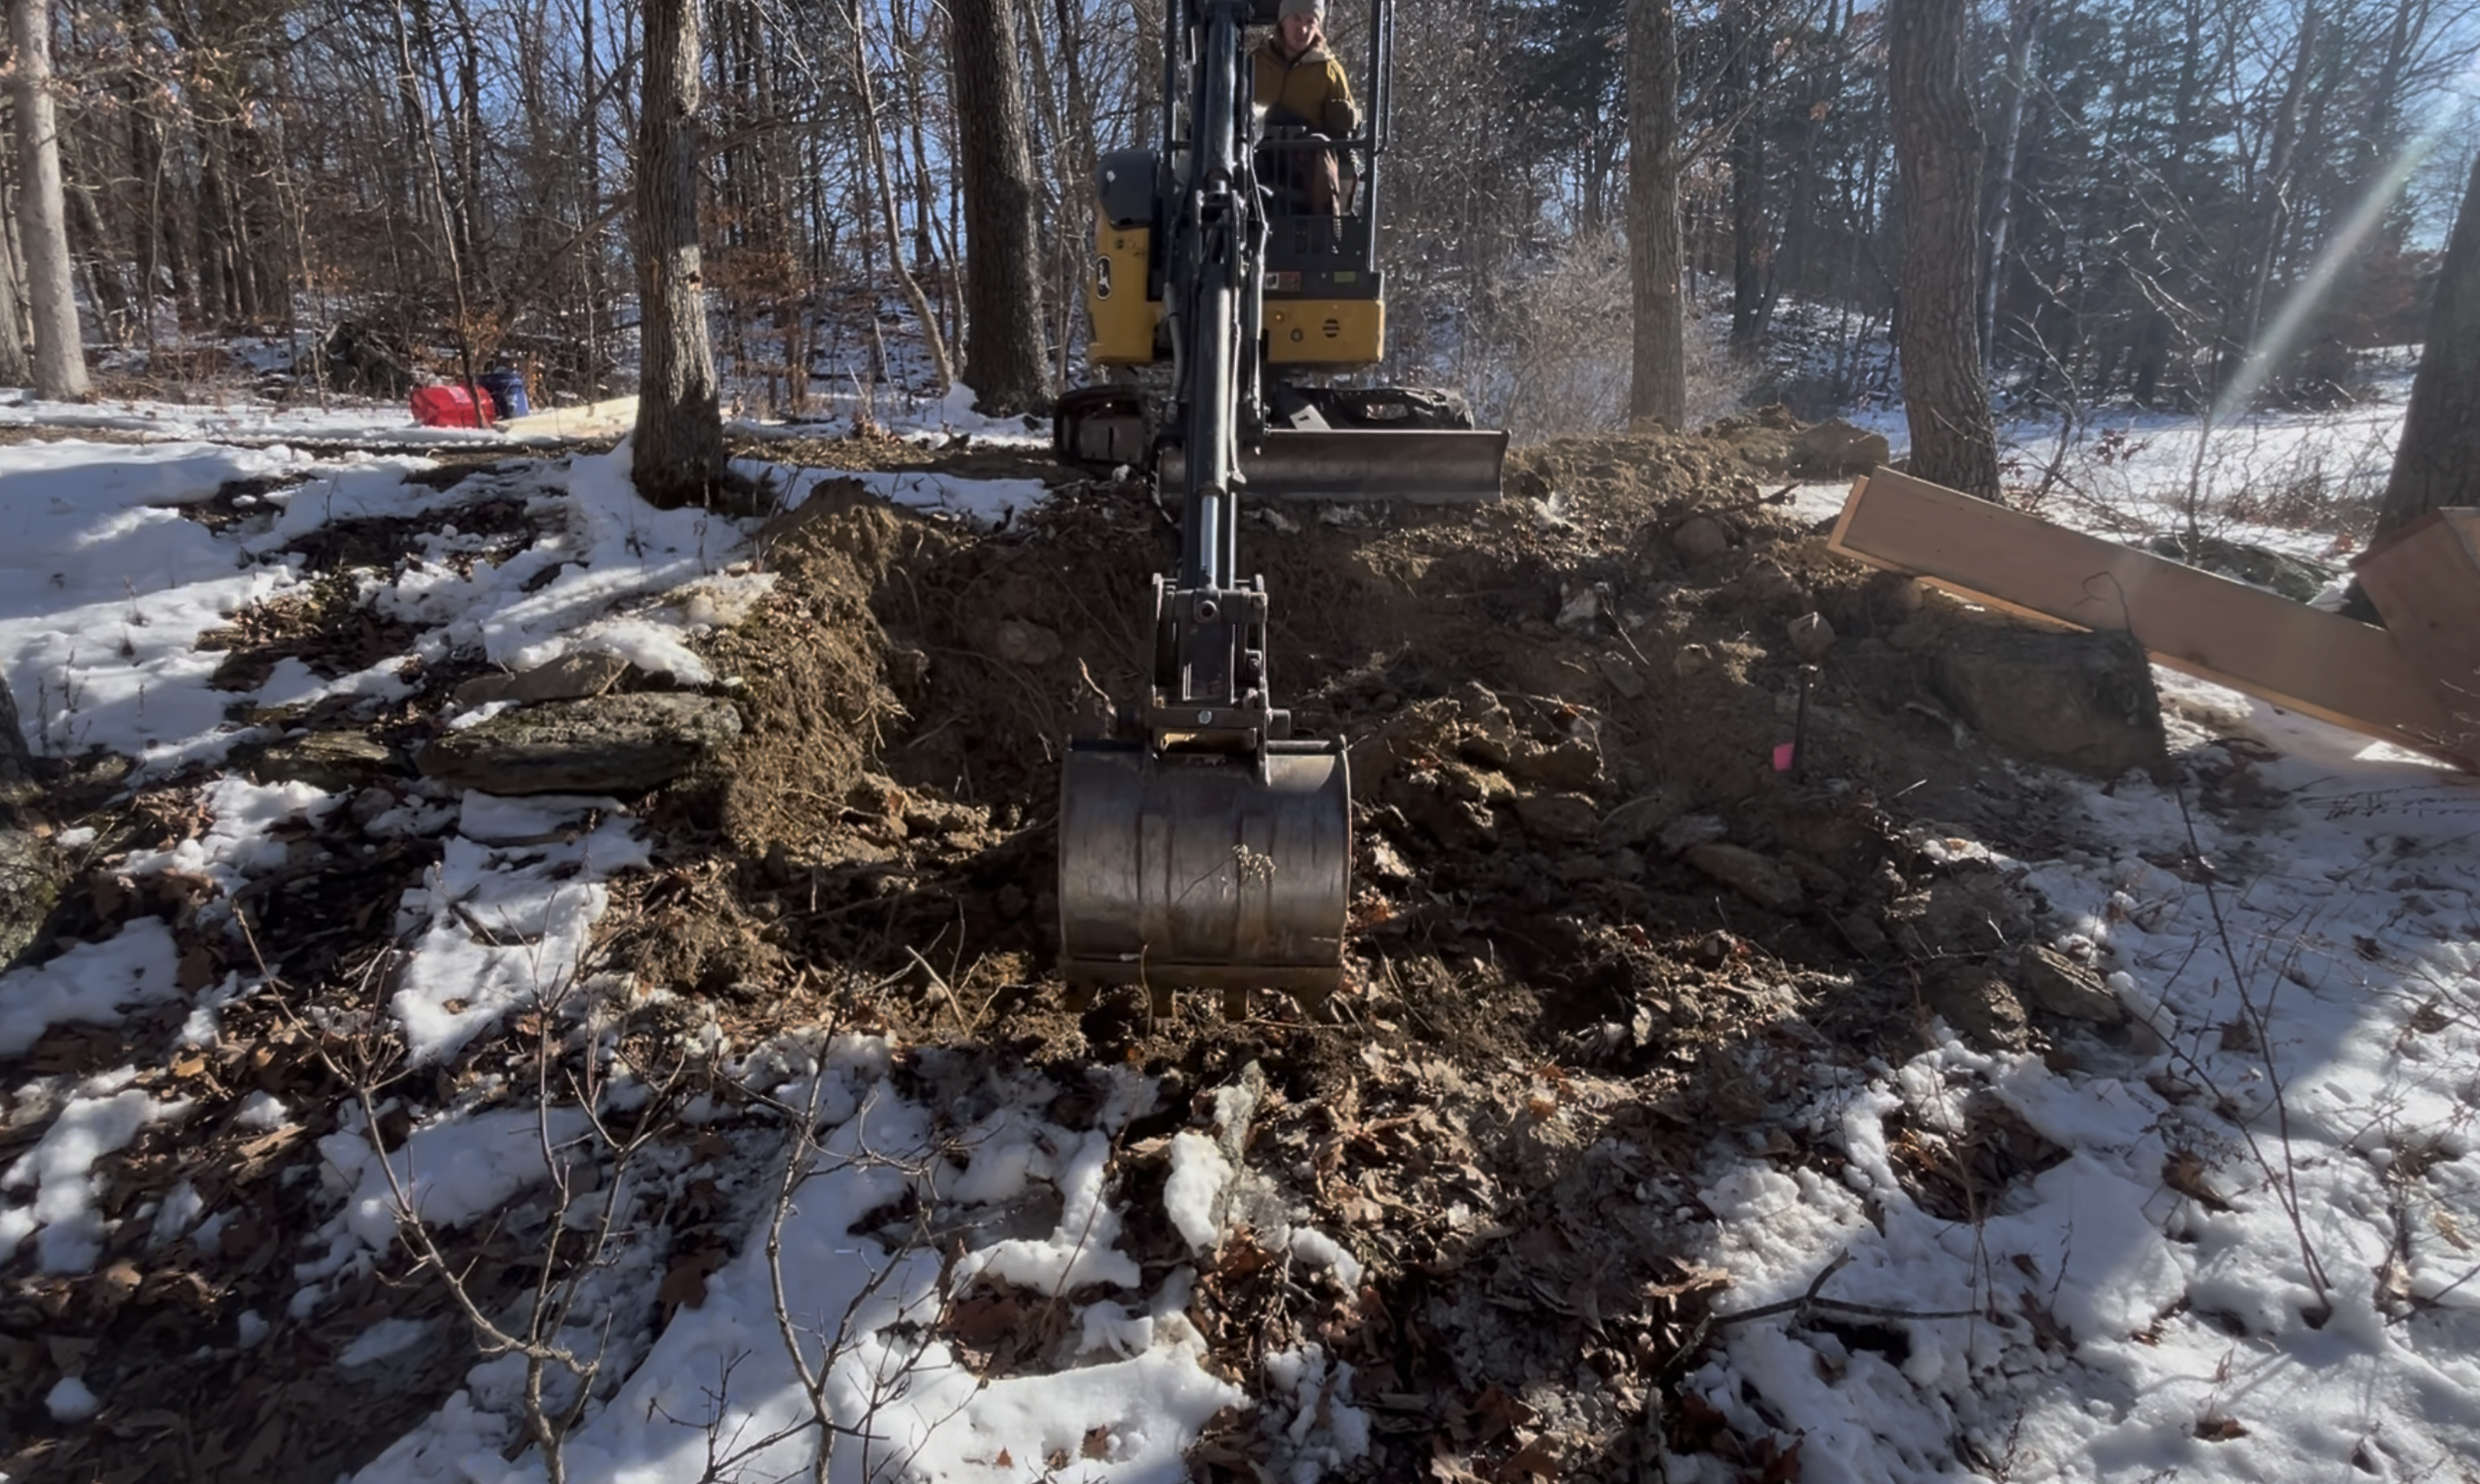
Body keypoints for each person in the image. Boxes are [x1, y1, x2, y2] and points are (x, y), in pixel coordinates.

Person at [1252, 0, 1359, 216]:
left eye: (1311, 22)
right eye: (1296, 19)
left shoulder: (1329, 70)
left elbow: (1349, 129)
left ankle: (1327, 225)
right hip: (1258, 152)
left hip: (1304, 161)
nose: (1302, 29)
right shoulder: (1256, 62)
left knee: (1323, 151)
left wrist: (1347, 117)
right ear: (1282, 21)